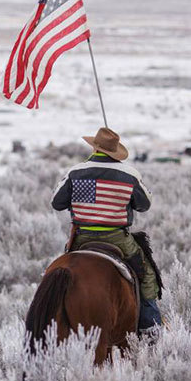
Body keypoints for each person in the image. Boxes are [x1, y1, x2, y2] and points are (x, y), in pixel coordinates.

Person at [50, 126, 162, 336]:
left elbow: (56, 202)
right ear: (114, 151)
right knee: (147, 275)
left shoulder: (75, 172)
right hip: (117, 238)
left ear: (95, 147)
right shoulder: (129, 174)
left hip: (81, 238)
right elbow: (144, 204)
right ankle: (150, 328)